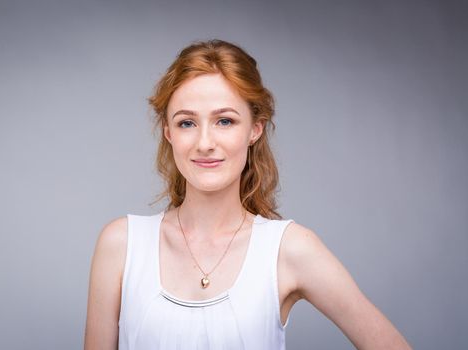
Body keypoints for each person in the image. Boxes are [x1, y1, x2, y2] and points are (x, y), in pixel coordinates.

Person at [84, 39, 411, 349]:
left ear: (255, 129)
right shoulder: (121, 245)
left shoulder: (289, 249)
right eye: (187, 123)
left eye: (224, 121)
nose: (204, 142)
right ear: (168, 132)